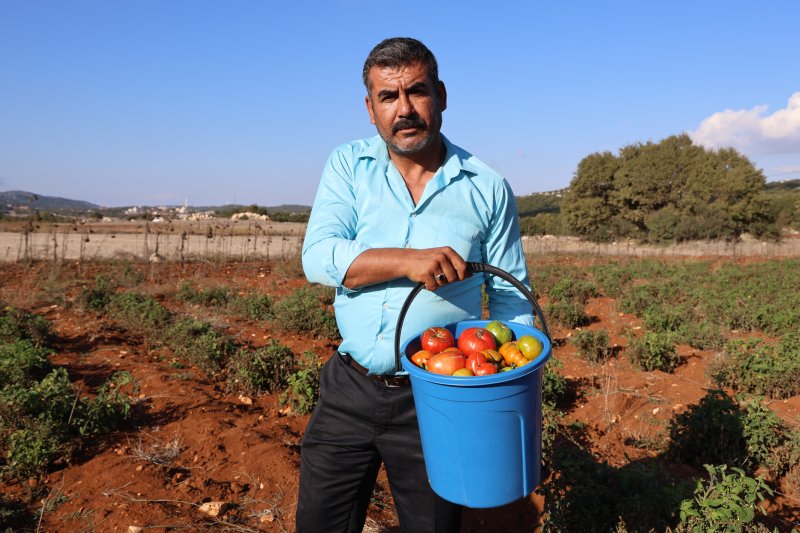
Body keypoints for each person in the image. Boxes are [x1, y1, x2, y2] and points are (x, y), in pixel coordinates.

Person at [297, 37, 534, 533]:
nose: (404, 109)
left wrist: (510, 393)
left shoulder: (487, 187)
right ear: (370, 108)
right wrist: (407, 261)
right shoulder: (348, 166)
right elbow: (318, 258)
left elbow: (512, 298)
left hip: (440, 397)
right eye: (388, 96)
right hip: (349, 386)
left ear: (441, 95)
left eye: (417, 92)